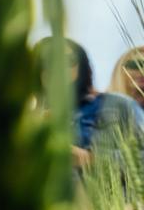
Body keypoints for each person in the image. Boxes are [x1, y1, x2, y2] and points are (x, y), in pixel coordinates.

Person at [36, 38, 144, 169]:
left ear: (81, 66)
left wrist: (88, 159)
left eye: (68, 60)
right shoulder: (27, 121)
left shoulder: (116, 105)